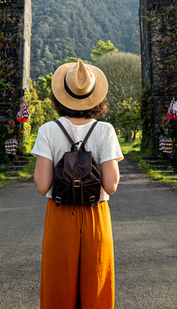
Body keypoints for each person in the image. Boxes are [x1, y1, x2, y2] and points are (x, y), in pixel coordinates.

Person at [32, 60, 124, 309]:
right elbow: (111, 185)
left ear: (61, 95)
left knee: (58, 290)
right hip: (96, 216)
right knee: (97, 288)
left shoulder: (48, 130)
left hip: (60, 214)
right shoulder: (105, 130)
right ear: (95, 97)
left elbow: (42, 186)